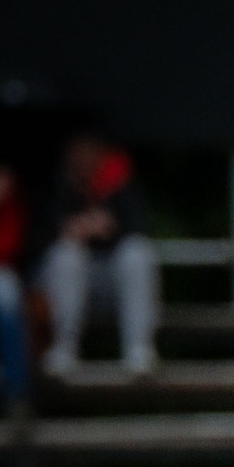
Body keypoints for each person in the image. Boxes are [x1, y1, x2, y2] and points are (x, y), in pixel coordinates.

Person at [39, 133, 159, 377]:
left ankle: (139, 350)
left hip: (113, 281)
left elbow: (139, 228)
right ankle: (62, 348)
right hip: (68, 284)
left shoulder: (121, 180)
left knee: (137, 254)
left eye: (88, 150)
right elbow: (37, 238)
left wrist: (108, 227)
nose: (82, 157)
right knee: (65, 255)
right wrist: (72, 229)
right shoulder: (56, 183)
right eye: (77, 150)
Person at [0, 164, 28, 412]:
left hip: (1, 269)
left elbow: (10, 247)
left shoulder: (12, 206)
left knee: (8, 302)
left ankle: (17, 394)